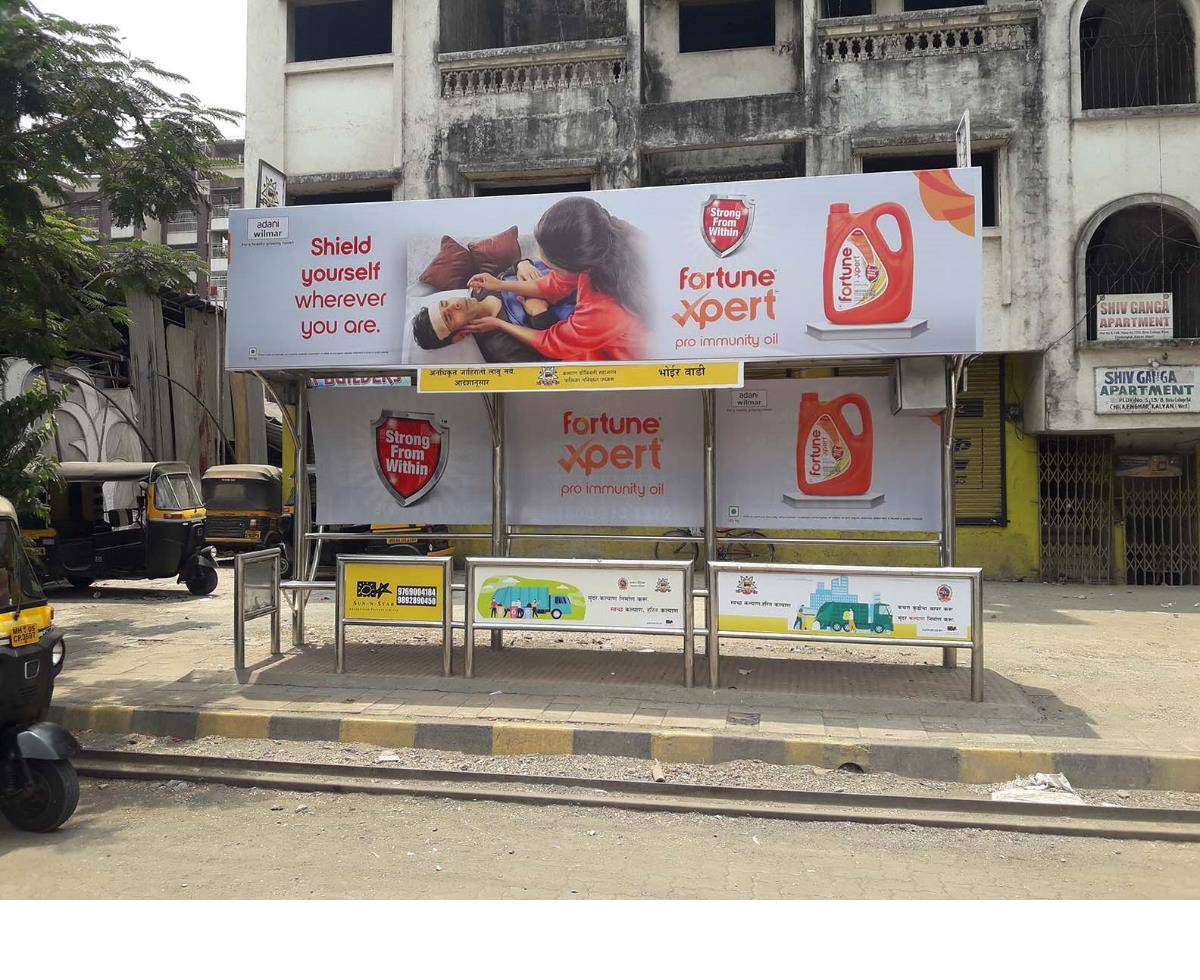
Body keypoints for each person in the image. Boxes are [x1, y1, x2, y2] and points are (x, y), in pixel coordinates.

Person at [465, 196, 650, 362]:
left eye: (553, 268)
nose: (547, 270)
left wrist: (500, 324)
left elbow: (552, 343)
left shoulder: (605, 308)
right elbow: (553, 285)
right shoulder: (599, 241)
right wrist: (500, 284)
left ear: (580, 266)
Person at [411, 259, 574, 363]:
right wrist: (540, 314)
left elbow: (508, 272)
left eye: (445, 303)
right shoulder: (499, 347)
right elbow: (549, 369)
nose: (455, 305)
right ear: (459, 336)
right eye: (449, 317)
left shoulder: (479, 288)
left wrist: (522, 265)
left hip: (572, 266)